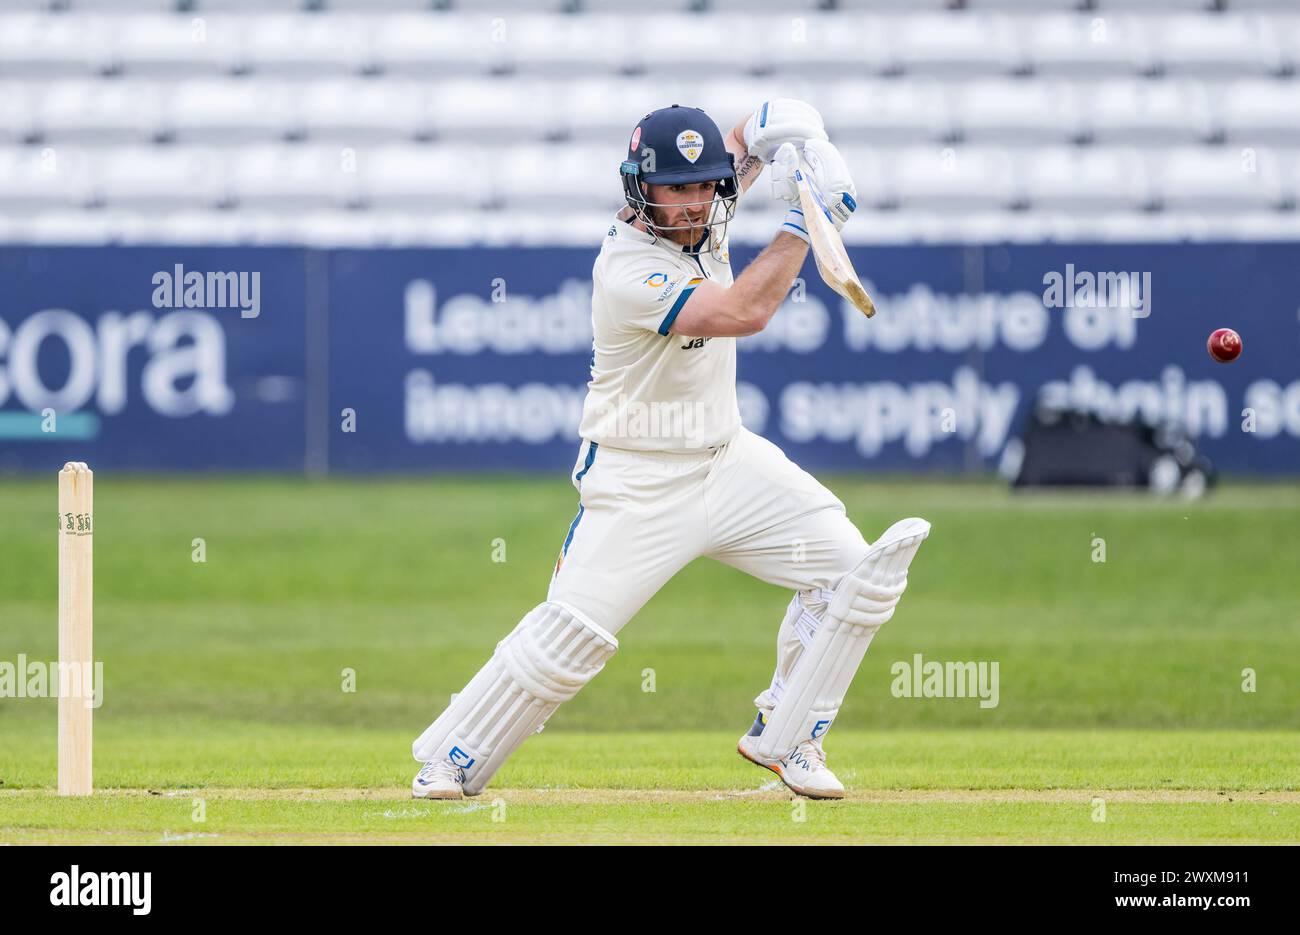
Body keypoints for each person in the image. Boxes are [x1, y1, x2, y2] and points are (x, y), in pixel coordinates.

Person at [412, 100, 929, 800]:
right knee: (571, 638)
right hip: (635, 481)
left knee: (854, 573)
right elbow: (744, 311)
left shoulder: (704, 212)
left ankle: (789, 733)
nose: (692, 205)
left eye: (703, 187)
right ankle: (451, 756)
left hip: (726, 460)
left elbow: (744, 138)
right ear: (640, 189)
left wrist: (794, 129)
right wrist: (811, 219)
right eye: (675, 189)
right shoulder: (627, 268)